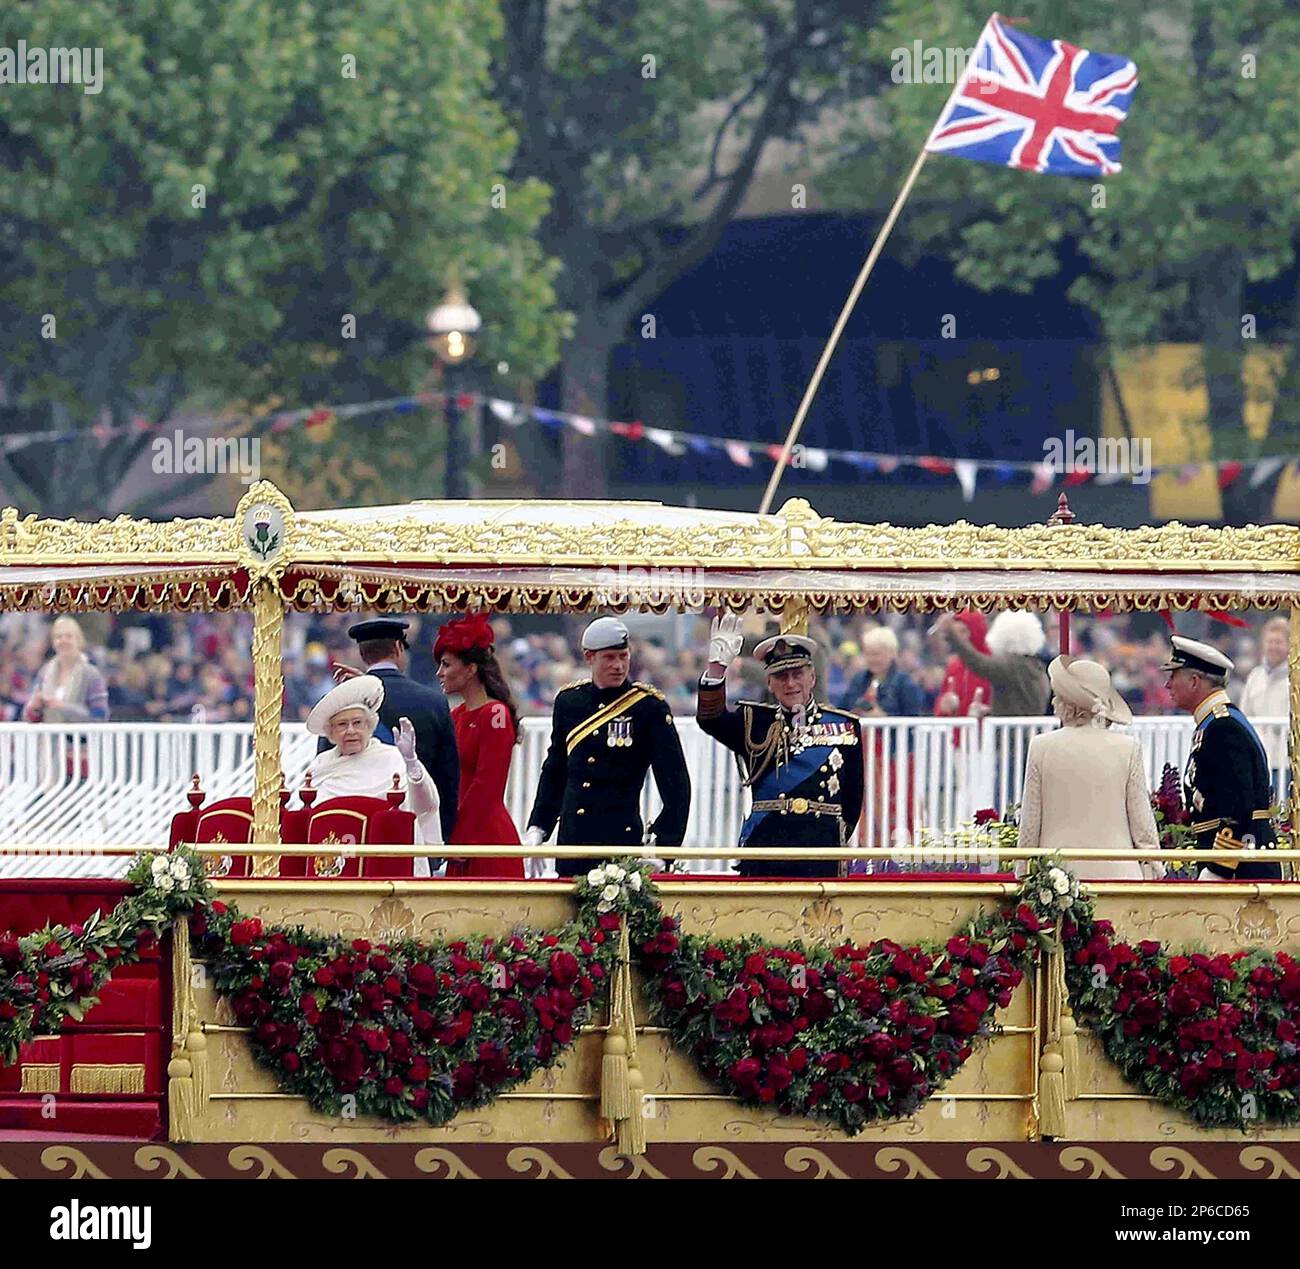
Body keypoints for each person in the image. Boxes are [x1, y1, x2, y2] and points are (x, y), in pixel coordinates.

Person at [698, 613, 863, 879]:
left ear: (812, 677)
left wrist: (832, 840)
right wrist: (717, 671)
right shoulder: (754, 722)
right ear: (769, 684)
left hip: (819, 848)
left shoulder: (844, 727)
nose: (791, 684)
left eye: (797, 674)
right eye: (781, 676)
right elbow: (711, 719)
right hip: (767, 845)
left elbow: (852, 803)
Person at [524, 616, 691, 877]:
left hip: (620, 839)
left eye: (623, 656)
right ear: (589, 657)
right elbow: (556, 771)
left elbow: (676, 785)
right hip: (573, 840)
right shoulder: (569, 702)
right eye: (610, 657)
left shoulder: (648, 707)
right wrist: (538, 827)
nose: (619, 665)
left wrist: (662, 846)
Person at [1018, 657, 1163, 882]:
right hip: (1120, 878)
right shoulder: (1128, 748)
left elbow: (1029, 826)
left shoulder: (1041, 747)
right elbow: (1143, 827)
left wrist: (1022, 874)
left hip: (1057, 881)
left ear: (1065, 703)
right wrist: (1155, 869)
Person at [321, 618, 459, 842]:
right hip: (417, 833)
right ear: (397, 648)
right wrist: (443, 838)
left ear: (363, 654)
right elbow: (448, 780)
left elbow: (329, 764)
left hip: (349, 834)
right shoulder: (433, 701)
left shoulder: (343, 701)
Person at [1162, 635, 1281, 881]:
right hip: (1235, 861)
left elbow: (1238, 805)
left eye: (1173, 676)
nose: (1167, 685)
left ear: (1195, 681)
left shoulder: (1223, 727)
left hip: (1239, 867)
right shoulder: (1216, 723)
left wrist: (1219, 868)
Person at [303, 675, 441, 877]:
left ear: (369, 726)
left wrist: (411, 762)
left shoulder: (393, 758)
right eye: (342, 725)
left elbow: (424, 806)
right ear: (331, 733)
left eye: (357, 723)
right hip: (335, 869)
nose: (351, 731)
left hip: (386, 863)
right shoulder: (320, 766)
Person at [434, 612, 525, 879]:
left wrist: (461, 836)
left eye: (446, 665)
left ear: (471, 669)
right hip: (462, 834)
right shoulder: (456, 715)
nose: (439, 673)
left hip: (485, 836)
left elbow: (488, 783)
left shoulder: (494, 714)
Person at [935, 610, 1049, 717]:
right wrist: (989, 713)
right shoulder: (1036, 667)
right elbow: (1020, 707)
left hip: (1010, 735)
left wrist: (951, 634)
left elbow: (978, 663)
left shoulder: (1012, 666)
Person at [22, 617, 109, 723]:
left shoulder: (92, 674)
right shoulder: (44, 673)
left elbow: (100, 716)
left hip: (79, 738)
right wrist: (35, 708)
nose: (63, 641)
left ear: (78, 640)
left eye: (69, 636)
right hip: (48, 738)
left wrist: (63, 707)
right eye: (58, 637)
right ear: (53, 642)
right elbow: (28, 717)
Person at [1239, 616, 1289, 792]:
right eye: (1270, 641)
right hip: (1258, 758)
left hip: (1286, 762)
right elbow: (1244, 714)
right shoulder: (1255, 676)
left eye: (1279, 642)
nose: (1273, 646)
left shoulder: (1294, 679)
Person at [933, 610, 992, 722]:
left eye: (963, 632)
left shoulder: (992, 665)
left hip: (985, 736)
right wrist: (944, 707)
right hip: (957, 736)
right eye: (956, 633)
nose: (959, 639)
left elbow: (1006, 707)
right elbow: (940, 710)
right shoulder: (954, 667)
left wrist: (988, 712)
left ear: (976, 631)